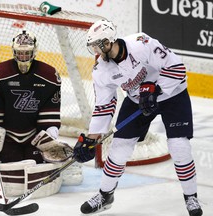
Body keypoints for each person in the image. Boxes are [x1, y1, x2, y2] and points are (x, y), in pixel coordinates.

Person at [73, 19, 203, 216]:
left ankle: (191, 196)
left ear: (109, 41)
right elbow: (104, 106)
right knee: (118, 148)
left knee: (179, 146)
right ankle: (105, 195)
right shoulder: (101, 70)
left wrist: (156, 88)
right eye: (94, 47)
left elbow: (177, 69)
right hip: (137, 101)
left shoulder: (141, 44)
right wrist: (92, 138)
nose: (97, 52)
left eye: (99, 46)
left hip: (172, 94)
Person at [0, 30, 82, 198]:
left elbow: (50, 113)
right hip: (7, 136)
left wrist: (50, 137)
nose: (23, 57)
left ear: (34, 52)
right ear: (13, 52)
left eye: (27, 53)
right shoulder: (0, 73)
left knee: (38, 162)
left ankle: (67, 169)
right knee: (9, 163)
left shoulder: (49, 76)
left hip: (33, 136)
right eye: (20, 53)